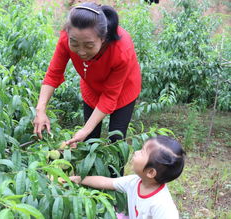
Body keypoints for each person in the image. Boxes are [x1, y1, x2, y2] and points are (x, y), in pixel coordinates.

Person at [33, 2, 141, 147]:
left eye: (89, 46)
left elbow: (110, 96)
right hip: (92, 86)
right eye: (75, 44)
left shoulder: (121, 50)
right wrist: (40, 110)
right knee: (89, 140)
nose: (81, 51)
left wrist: (85, 129)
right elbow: (54, 73)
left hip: (123, 89)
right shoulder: (68, 38)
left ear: (103, 39)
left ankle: (115, 169)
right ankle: (89, 168)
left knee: (116, 141)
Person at [69, 135, 186, 219]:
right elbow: (106, 182)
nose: (136, 152)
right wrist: (79, 179)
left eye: (142, 152)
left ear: (150, 172)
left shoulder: (162, 205)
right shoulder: (134, 181)